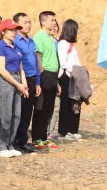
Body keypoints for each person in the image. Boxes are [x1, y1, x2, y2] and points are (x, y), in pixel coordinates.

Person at [0, 19, 28, 158]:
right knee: (5, 115)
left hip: (17, 80)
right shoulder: (0, 46)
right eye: (11, 30)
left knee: (16, 115)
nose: (14, 33)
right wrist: (18, 84)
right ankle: (0, 145)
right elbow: (2, 70)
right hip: (6, 81)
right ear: (3, 31)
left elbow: (21, 68)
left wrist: (23, 84)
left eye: (15, 30)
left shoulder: (16, 47)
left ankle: (9, 144)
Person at [31, 10, 60, 151]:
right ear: (43, 22)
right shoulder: (39, 37)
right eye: (52, 20)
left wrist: (57, 82)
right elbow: (38, 58)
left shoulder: (51, 38)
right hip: (44, 76)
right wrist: (41, 78)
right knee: (41, 110)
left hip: (53, 76)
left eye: (55, 20)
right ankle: (37, 140)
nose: (54, 22)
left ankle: (44, 138)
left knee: (48, 110)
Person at [12, 13, 40, 154]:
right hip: (20, 80)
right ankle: (15, 141)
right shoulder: (14, 41)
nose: (28, 25)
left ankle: (23, 141)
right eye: (25, 22)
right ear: (16, 24)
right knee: (19, 112)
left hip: (32, 79)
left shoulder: (31, 41)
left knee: (28, 112)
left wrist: (38, 82)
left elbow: (35, 63)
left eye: (30, 22)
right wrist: (22, 83)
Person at [56, 20, 87, 140]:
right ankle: (64, 131)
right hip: (66, 77)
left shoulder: (71, 45)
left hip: (74, 77)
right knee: (66, 104)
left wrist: (81, 72)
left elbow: (76, 61)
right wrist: (74, 70)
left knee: (76, 103)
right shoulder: (62, 44)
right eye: (75, 29)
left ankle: (73, 130)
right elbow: (63, 62)